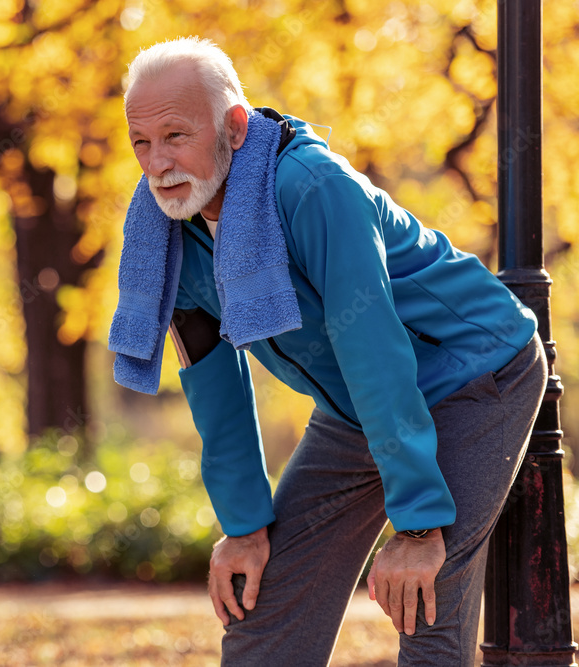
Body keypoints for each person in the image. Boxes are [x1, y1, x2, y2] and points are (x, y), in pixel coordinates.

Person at [107, 36, 547, 666]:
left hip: (474, 373)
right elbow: (213, 380)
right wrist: (244, 527)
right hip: (357, 405)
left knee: (424, 602)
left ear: (234, 126)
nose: (157, 163)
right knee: (266, 612)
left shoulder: (313, 188)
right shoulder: (164, 230)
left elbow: (371, 344)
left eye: (176, 135)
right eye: (141, 143)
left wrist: (418, 526)